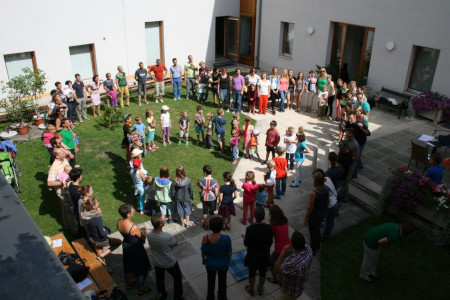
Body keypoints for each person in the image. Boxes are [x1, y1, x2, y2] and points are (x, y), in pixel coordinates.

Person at [117, 204, 152, 295]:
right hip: (135, 248)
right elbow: (142, 237)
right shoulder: (134, 227)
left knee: (128, 265)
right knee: (140, 268)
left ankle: (129, 283)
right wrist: (144, 233)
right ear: (128, 214)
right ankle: (141, 288)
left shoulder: (119, 222)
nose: (133, 210)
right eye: (132, 210)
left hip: (126, 245)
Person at [147, 213, 183, 300]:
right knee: (178, 278)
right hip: (169, 262)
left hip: (157, 261)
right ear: (161, 224)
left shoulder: (148, 233)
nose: (166, 219)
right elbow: (174, 243)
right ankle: (178, 297)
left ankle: (162, 295)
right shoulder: (167, 236)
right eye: (164, 219)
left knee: (159, 279)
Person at [82, 197, 122, 266]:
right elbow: (102, 233)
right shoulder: (97, 218)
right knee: (118, 242)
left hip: (93, 238)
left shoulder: (85, 216)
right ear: (94, 206)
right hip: (100, 240)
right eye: (97, 202)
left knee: (101, 260)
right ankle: (102, 255)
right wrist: (108, 230)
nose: (98, 203)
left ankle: (105, 268)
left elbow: (93, 226)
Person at [243, 206, 273, 296]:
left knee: (251, 273)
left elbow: (246, 243)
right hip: (264, 255)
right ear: (264, 216)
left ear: (254, 216)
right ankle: (260, 288)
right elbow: (270, 242)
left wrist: (245, 238)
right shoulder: (268, 228)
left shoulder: (250, 229)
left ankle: (251, 289)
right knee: (262, 272)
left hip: (253, 256)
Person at [274, 231, 313, 299]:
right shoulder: (308, 249)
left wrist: (283, 252)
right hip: (298, 286)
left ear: (293, 245)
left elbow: (276, 270)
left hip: (289, 292)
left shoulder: (294, 263)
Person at [201, 216, 232, 300]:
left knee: (211, 281)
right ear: (222, 227)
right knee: (222, 281)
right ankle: (222, 297)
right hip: (223, 264)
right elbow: (229, 253)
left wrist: (204, 260)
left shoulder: (205, 238)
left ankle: (210, 296)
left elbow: (203, 252)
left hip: (210, 264)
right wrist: (228, 261)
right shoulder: (226, 238)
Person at [304, 172, 329, 255]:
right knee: (317, 230)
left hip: (314, 215)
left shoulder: (314, 193)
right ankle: (317, 245)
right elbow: (328, 201)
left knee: (313, 233)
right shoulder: (326, 189)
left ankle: (312, 250)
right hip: (322, 213)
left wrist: (306, 217)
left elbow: (310, 207)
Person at [267, 205, 290, 284]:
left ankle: (275, 278)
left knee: (271, 261)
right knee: (284, 261)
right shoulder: (285, 220)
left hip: (280, 249)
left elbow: (269, 237)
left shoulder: (273, 225)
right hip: (289, 245)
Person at [314, 169, 339, 240]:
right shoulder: (327, 178)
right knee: (329, 218)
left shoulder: (323, 188)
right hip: (335, 201)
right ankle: (325, 221)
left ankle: (325, 236)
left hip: (331, 205)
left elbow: (326, 201)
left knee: (330, 222)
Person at [198, 165, 219, 230]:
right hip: (212, 199)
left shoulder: (200, 180)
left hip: (204, 198)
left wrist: (200, 195)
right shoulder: (215, 181)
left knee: (205, 211)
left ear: (204, 172)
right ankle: (211, 224)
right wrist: (216, 197)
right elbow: (216, 192)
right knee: (212, 212)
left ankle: (205, 224)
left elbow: (199, 190)